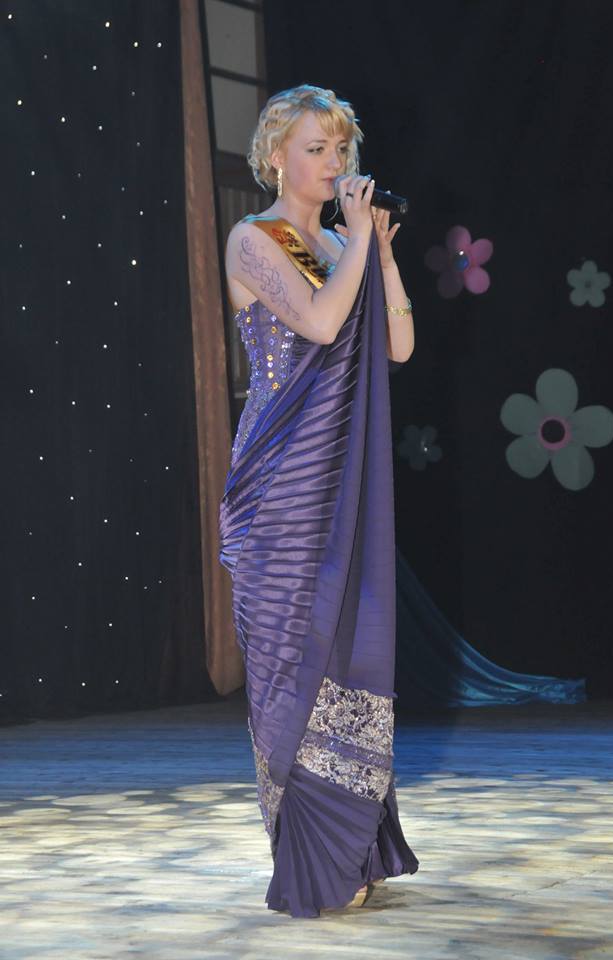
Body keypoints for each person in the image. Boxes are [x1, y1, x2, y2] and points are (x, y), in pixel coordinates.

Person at [219, 84, 419, 918]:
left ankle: (353, 845)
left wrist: (381, 252)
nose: (333, 163)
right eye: (315, 148)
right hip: (278, 489)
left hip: (341, 479)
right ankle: (310, 853)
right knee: (291, 667)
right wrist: (358, 248)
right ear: (275, 157)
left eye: (341, 149)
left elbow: (398, 344)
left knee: (346, 654)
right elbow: (322, 325)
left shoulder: (344, 243)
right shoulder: (253, 238)